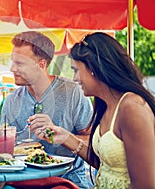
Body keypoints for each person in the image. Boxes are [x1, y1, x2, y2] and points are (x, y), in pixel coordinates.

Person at [35, 32, 155, 188]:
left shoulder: (131, 107)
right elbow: (107, 166)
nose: (74, 78)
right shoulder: (107, 105)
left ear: (93, 68)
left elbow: (146, 185)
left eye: (76, 70)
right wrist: (65, 137)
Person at [1, 31, 93, 188]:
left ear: (41, 64)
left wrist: (63, 136)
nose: (12, 69)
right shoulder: (11, 101)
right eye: (13, 62)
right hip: (23, 181)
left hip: (67, 180)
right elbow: (4, 150)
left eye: (20, 63)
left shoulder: (73, 93)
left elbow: (92, 140)